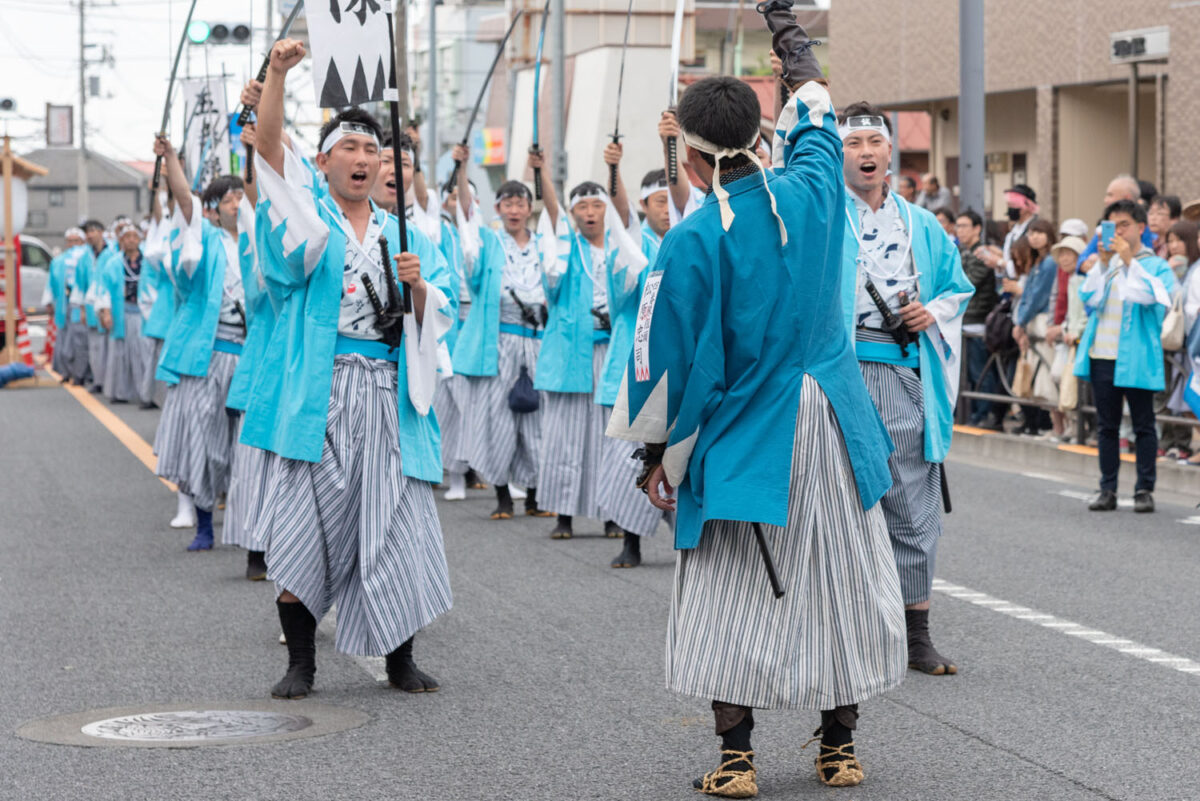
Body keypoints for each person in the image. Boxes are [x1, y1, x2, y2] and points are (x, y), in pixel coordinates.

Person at [608, 33, 906, 791]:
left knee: (727, 592)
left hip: (752, 431)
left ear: (695, 156)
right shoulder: (814, 187)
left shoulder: (691, 239)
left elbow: (664, 366)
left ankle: (737, 759)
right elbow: (816, 114)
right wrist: (794, 44)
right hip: (837, 419)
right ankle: (839, 748)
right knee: (839, 579)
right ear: (755, 133)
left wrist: (655, 458)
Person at [246, 38, 455, 699]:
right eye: (349, 149)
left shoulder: (408, 234)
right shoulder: (308, 223)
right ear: (323, 162)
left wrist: (419, 288)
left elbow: (441, 311)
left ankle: (400, 659)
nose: (363, 159)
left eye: (372, 151)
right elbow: (270, 159)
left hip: (391, 397)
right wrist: (278, 74)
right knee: (306, 525)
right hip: (323, 394)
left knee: (396, 529)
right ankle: (301, 661)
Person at [838, 100, 974, 677]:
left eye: (875, 142)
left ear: (891, 150)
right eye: (853, 143)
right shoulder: (822, 218)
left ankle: (915, 632)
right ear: (836, 153)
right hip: (836, 375)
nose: (866, 153)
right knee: (836, 499)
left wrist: (933, 313)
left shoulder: (922, 224)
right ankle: (844, 626)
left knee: (912, 499)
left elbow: (958, 289)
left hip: (900, 370)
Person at [532, 147, 649, 541]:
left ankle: (612, 513)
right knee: (565, 437)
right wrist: (543, 172)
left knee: (607, 438)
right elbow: (552, 217)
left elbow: (628, 218)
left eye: (597, 205)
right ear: (574, 213)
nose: (589, 212)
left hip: (611, 353)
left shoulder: (624, 249)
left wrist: (614, 168)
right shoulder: (566, 250)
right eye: (581, 206)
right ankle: (563, 514)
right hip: (570, 356)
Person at [151, 135, 246, 553]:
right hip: (209, 354)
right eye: (230, 199)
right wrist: (171, 158)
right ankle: (204, 523)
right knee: (206, 445)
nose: (238, 204)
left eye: (243, 197)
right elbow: (184, 200)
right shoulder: (205, 239)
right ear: (213, 208)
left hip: (251, 356)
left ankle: (251, 531)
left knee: (245, 448)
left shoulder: (260, 242)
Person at [449, 144, 553, 519]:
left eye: (519, 203)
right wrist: (461, 170)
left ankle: (537, 495)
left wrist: (540, 173)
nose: (513, 209)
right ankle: (502, 496)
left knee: (537, 417)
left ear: (528, 208)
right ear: (497, 209)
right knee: (497, 417)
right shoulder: (489, 244)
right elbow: (467, 220)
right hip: (499, 342)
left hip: (536, 340)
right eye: (506, 204)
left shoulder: (545, 246)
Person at [1076, 200, 1176, 513]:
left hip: (1137, 356)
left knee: (1144, 424)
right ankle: (1108, 488)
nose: (1117, 231)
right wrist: (1104, 264)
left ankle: (1144, 489)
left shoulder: (1156, 264)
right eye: (1111, 225)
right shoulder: (1106, 263)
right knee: (1107, 426)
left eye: (1124, 225)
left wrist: (1130, 261)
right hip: (1103, 354)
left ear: (1140, 228)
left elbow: (1157, 298)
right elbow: (1088, 297)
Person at [95, 221, 154, 405]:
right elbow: (103, 289)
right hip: (122, 313)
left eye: (134, 237)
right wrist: (105, 312)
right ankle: (120, 392)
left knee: (146, 353)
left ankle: (148, 395)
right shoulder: (113, 263)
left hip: (145, 314)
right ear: (121, 240)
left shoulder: (149, 262)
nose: (131, 240)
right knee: (120, 353)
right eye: (127, 237)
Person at [1012, 218, 1059, 435]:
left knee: (1047, 375)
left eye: (1039, 232)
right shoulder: (1039, 261)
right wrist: (1020, 321)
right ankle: (1056, 426)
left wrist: (1020, 322)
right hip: (1033, 321)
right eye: (1031, 233)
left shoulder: (1049, 262)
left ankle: (1058, 427)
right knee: (1041, 376)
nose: (1034, 237)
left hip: (1042, 321)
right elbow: (1030, 294)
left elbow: (1038, 296)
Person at [1159, 219, 1200, 459]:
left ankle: (1184, 444)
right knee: (1186, 397)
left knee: (1189, 396)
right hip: (1188, 342)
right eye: (1170, 241)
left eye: (1179, 240)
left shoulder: (1194, 270)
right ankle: (1176, 442)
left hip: (1192, 343)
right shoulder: (1189, 269)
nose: (1174, 245)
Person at [956, 210, 1001, 428]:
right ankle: (974, 413)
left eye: (965, 226)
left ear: (977, 229)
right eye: (958, 226)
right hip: (966, 320)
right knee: (970, 371)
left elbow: (967, 283)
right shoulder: (964, 252)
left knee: (979, 370)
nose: (960, 231)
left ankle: (984, 414)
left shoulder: (981, 254)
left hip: (978, 320)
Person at [1076, 175, 1156, 271]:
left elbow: (1148, 271)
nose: (1118, 232)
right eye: (1114, 226)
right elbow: (1082, 259)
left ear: (1140, 228)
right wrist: (1096, 265)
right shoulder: (1105, 228)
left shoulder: (1154, 261)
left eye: (1110, 195)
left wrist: (1128, 260)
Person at [43, 228, 86, 378]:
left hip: (80, 306)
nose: (73, 244)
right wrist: (48, 301)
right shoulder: (58, 261)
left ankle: (80, 373)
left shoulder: (86, 259)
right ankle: (65, 371)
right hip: (63, 304)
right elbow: (50, 283)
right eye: (70, 241)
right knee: (63, 338)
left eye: (76, 241)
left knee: (79, 340)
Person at [1148, 194, 1181, 259]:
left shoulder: (1177, 246)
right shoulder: (1153, 244)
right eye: (1151, 213)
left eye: (1159, 213)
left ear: (1174, 219)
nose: (1153, 218)